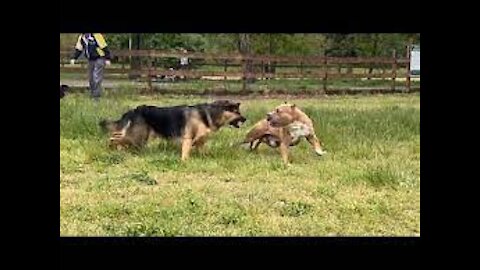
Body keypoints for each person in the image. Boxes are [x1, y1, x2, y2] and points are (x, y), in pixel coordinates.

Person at [70, 33, 111, 100]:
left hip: (99, 58)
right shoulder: (81, 37)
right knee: (91, 78)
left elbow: (104, 47)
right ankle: (92, 94)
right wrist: (74, 58)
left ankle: (96, 97)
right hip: (90, 59)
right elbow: (79, 49)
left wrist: (108, 58)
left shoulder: (97, 35)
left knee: (96, 77)